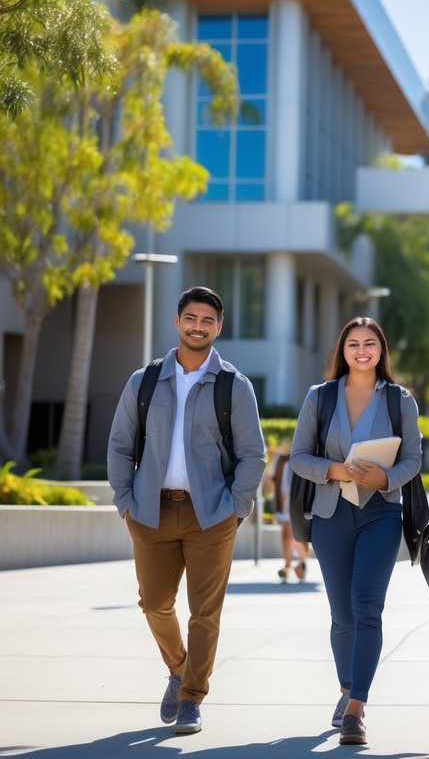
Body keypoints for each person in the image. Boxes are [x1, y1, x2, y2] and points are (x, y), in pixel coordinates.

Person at [106, 285, 266, 735]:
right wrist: (125, 504)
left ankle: (193, 697)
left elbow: (253, 454)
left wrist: (236, 508)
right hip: (150, 513)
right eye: (191, 319)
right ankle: (179, 669)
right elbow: (120, 445)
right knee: (154, 604)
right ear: (177, 323)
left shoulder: (234, 386)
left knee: (204, 612)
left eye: (208, 321)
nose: (199, 327)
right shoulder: (145, 381)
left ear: (219, 327)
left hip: (211, 514)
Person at [289, 317, 423, 746]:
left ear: (381, 350)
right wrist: (334, 469)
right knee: (342, 616)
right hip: (331, 515)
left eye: (370, 344)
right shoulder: (320, 397)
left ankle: (356, 708)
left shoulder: (401, 401)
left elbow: (414, 460)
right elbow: (298, 457)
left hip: (380, 514)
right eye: (353, 344)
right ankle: (346, 687)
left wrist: (384, 479)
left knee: (368, 608)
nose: (362, 351)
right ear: (342, 350)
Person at [265, 446, 308, 583]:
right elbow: (271, 477)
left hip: (297, 502)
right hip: (283, 503)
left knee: (290, 533)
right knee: (287, 534)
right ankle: (299, 563)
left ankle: (291, 564)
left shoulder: (303, 457)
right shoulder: (279, 458)